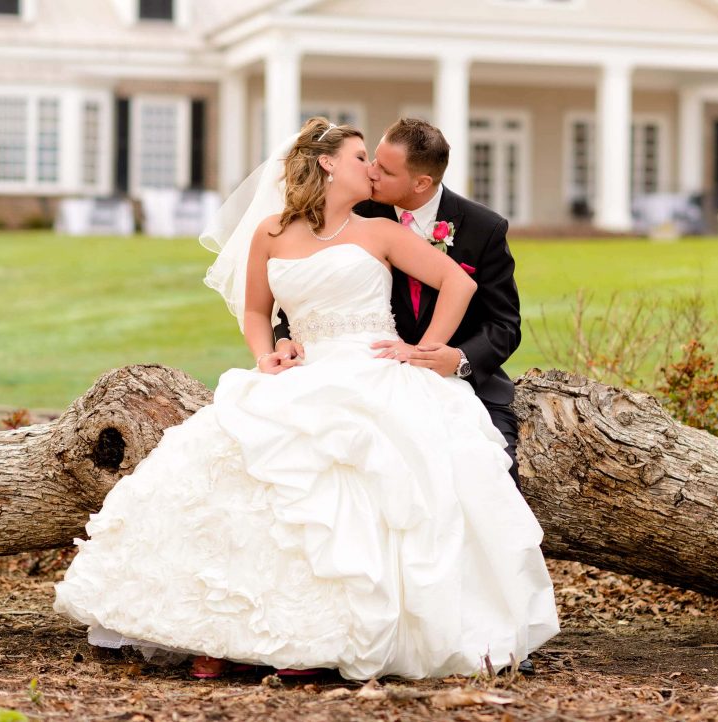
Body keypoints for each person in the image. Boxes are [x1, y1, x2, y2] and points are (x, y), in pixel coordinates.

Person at [53, 117, 559, 681]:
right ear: (326, 163)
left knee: (417, 477)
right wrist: (271, 347)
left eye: (380, 164)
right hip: (307, 369)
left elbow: (474, 298)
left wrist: (432, 350)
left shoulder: (406, 229)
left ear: (419, 183)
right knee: (239, 470)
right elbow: (261, 309)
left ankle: (381, 628)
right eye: (362, 157)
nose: (370, 169)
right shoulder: (281, 230)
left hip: (382, 369)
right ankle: (220, 629)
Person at [275, 118, 523, 485]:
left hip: (466, 382)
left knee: (490, 471)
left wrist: (456, 358)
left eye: (385, 170)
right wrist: (283, 336)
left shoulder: (483, 228)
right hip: (367, 371)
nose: (371, 173)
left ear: (421, 182)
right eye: (371, 160)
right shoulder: (357, 213)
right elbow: (304, 289)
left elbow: (504, 325)